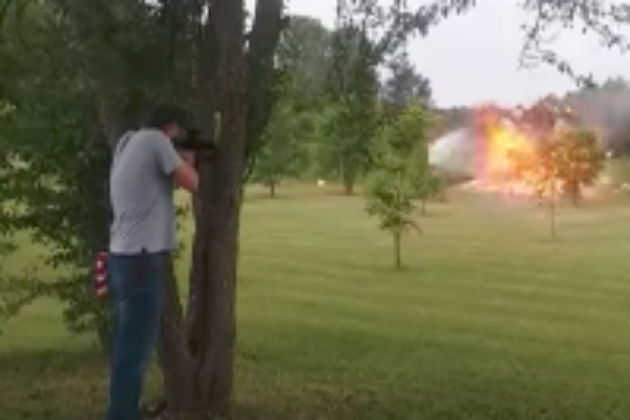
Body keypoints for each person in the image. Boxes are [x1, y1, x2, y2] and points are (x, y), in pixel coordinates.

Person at [106, 104, 198, 420]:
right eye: (178, 135)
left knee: (128, 347)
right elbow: (192, 183)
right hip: (142, 259)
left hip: (122, 257)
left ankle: (123, 410)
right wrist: (189, 160)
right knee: (135, 352)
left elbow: (151, 187)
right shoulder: (156, 141)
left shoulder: (127, 142)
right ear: (169, 128)